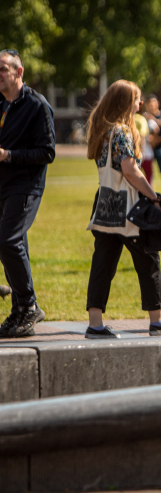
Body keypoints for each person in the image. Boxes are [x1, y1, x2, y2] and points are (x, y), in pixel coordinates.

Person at [85, 80, 161, 339]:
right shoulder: (122, 131)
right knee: (148, 259)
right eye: (137, 99)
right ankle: (157, 320)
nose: (140, 103)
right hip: (128, 207)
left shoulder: (101, 129)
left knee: (103, 263)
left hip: (104, 204)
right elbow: (130, 170)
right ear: (125, 102)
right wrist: (152, 196)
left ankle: (95, 323)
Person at [0, 49, 55, 338]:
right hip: (3, 186)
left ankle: (29, 305)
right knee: (10, 244)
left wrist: (9, 155)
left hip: (26, 186)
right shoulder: (1, 104)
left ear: (18, 72)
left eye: (2, 69)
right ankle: (20, 310)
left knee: (7, 240)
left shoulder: (37, 105)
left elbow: (47, 152)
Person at [144, 94, 161, 182]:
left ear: (158, 104)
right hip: (148, 148)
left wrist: (159, 139)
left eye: (153, 102)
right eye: (149, 103)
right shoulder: (145, 117)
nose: (151, 105)